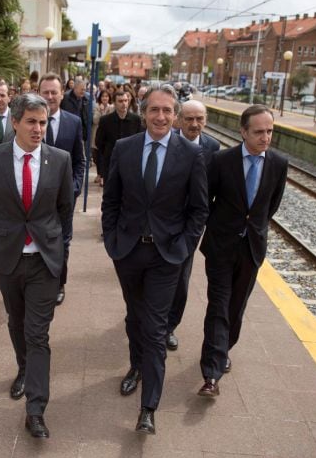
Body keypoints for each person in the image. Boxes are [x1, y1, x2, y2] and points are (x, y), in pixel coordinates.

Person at [101, 85, 208, 435]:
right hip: (129, 251)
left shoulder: (190, 155)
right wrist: (113, 240)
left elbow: (199, 209)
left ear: (175, 116)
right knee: (134, 316)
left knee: (156, 326)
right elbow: (111, 200)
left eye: (167, 111)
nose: (161, 117)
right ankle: (135, 367)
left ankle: (149, 407)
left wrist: (185, 247)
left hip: (167, 255)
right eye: (154, 110)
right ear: (144, 113)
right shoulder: (125, 148)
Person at [0, 93, 73, 438]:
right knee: (16, 323)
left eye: (43, 122)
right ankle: (23, 368)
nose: (38, 129)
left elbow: (65, 212)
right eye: (31, 121)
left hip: (45, 261)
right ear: (15, 122)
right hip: (9, 258)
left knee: (38, 333)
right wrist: (6, 237)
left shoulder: (60, 160)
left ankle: (36, 409)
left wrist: (61, 255)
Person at [198, 104, 288, 397]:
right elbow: (205, 201)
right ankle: (211, 373)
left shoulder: (278, 163)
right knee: (218, 306)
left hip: (251, 248)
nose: (265, 137)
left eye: (270, 131)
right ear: (243, 132)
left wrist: (253, 228)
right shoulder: (221, 161)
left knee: (236, 308)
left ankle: (223, 349)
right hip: (221, 247)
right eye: (259, 131)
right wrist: (221, 227)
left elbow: (269, 206)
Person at [166, 99, 220, 351]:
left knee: (181, 278)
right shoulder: (167, 141)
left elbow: (214, 188)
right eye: (189, 119)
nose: (194, 124)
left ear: (206, 120)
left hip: (191, 225)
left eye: (199, 119)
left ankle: (169, 326)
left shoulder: (213, 147)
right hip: (163, 220)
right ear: (178, 120)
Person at [38, 72, 85, 306]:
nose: (49, 96)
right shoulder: (30, 122)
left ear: (61, 94)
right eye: (45, 92)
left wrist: (75, 187)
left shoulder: (73, 122)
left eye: (54, 92)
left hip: (65, 199)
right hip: (36, 199)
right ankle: (40, 282)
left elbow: (80, 160)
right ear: (39, 94)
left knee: (63, 242)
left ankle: (59, 283)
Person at [95, 90, 143, 186]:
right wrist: (108, 152)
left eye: (125, 100)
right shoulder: (105, 120)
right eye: (120, 101)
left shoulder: (136, 120)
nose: (124, 104)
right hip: (110, 163)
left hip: (130, 163)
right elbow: (99, 142)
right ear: (114, 103)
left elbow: (140, 140)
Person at [91, 90, 114, 186]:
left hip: (107, 135)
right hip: (97, 134)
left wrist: (105, 112)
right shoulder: (96, 106)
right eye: (103, 96)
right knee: (96, 156)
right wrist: (101, 111)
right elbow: (95, 120)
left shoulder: (112, 107)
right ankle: (99, 174)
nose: (105, 98)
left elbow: (109, 120)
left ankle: (103, 176)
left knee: (104, 156)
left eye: (107, 96)